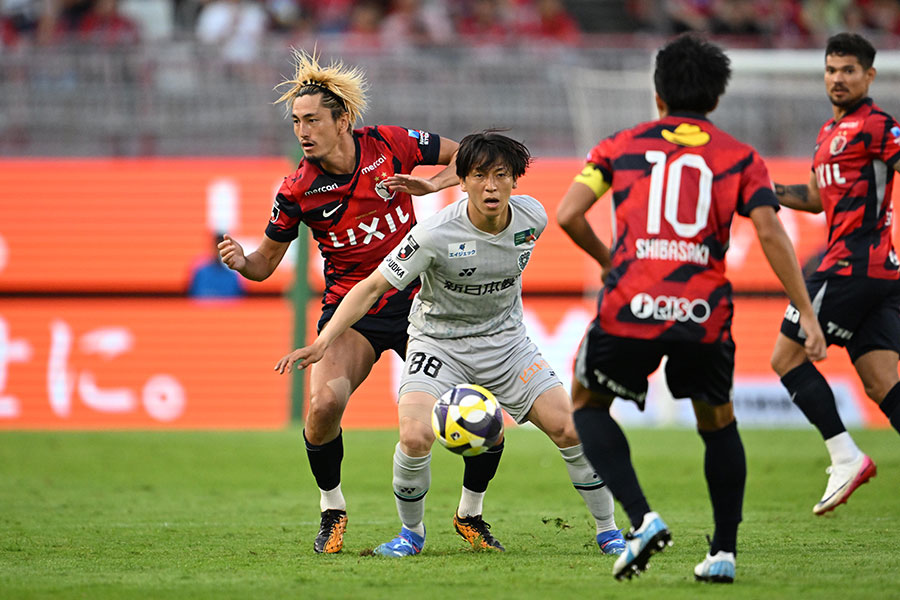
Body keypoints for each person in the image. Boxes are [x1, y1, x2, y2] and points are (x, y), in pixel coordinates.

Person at [275, 131, 626, 557]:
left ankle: (609, 531)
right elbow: (371, 288)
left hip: (507, 345)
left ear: (515, 180)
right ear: (462, 181)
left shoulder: (533, 217)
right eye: (479, 175)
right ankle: (411, 534)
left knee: (570, 429)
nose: (491, 186)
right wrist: (324, 340)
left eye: (501, 175)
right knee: (415, 436)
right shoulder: (433, 234)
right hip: (439, 345)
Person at [557, 33, 827, 583]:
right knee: (718, 422)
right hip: (702, 312)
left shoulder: (619, 145)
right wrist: (806, 310)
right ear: (716, 98)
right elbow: (771, 232)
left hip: (631, 304)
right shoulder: (741, 158)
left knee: (586, 405)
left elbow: (567, 214)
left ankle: (643, 519)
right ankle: (723, 552)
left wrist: (610, 263)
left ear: (658, 94)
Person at [218, 49, 482, 555]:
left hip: (422, 303)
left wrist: (431, 184)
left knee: (469, 409)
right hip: (353, 311)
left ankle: (471, 514)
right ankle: (332, 509)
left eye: (312, 120)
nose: (303, 131)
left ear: (343, 121)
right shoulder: (297, 189)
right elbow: (264, 264)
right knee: (322, 407)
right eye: (296, 121)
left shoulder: (389, 143)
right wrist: (239, 261)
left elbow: (468, 154)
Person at [771, 32, 900, 517]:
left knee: (786, 358)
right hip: (877, 275)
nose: (838, 78)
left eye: (848, 70)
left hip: (850, 266)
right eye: (831, 70)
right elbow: (814, 198)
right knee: (881, 383)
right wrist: (764, 191)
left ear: (869, 75)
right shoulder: (829, 131)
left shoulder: (878, 126)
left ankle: (845, 457)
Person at [189, 233, 245, 298]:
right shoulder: (201, 273)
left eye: (223, 249)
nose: (219, 252)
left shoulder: (233, 276)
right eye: (217, 248)